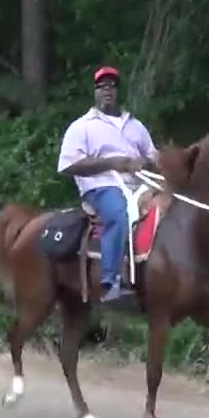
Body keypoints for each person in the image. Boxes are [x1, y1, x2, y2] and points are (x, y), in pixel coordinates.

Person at [57, 66, 159, 303]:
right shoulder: (82, 126)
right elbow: (68, 165)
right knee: (118, 213)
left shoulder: (135, 125)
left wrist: (145, 161)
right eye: (102, 86)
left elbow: (153, 155)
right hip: (101, 185)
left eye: (112, 86)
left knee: (170, 206)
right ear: (95, 92)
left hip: (139, 184)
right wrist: (113, 163)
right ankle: (111, 281)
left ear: (118, 91)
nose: (107, 91)